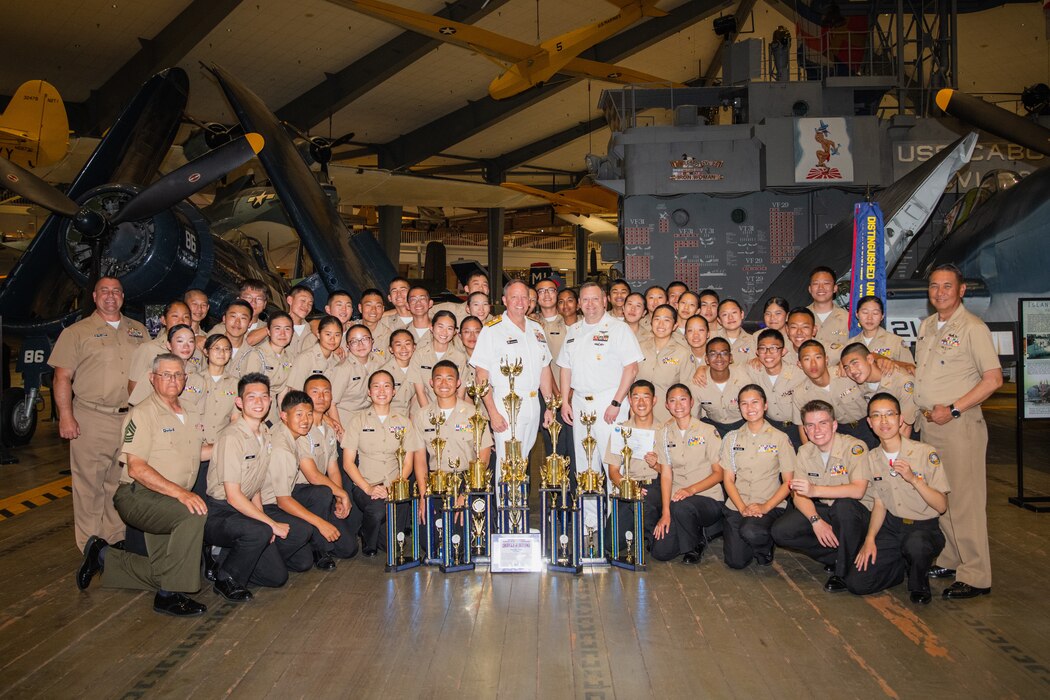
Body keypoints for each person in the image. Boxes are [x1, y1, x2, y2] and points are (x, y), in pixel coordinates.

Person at [76, 354, 211, 617]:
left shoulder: (190, 412)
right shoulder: (143, 413)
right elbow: (136, 468)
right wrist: (182, 493)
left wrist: (236, 443)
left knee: (167, 570)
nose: (173, 380)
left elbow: (198, 451)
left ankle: (102, 555)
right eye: (166, 375)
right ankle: (168, 596)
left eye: (178, 375)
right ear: (152, 379)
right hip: (138, 496)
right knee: (193, 514)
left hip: (166, 498)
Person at [914, 263, 1002, 599]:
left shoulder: (972, 328)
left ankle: (976, 574)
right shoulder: (928, 326)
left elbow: (993, 379)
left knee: (966, 501)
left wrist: (953, 409)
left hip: (958, 427)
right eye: (934, 286)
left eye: (947, 286)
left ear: (961, 290)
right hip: (930, 426)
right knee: (943, 498)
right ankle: (952, 559)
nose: (939, 293)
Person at [49, 276, 149, 550]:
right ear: (94, 297)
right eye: (103, 291)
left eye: (116, 291)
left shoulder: (138, 330)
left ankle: (114, 538)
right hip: (91, 417)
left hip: (128, 417)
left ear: (123, 297)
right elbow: (61, 378)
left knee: (118, 483)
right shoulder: (76, 333)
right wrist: (66, 416)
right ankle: (91, 544)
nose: (110, 296)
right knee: (89, 485)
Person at [204, 373, 312, 600]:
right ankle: (226, 576)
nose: (259, 402)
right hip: (221, 511)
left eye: (264, 397)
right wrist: (269, 523)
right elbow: (233, 496)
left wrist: (262, 515)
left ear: (270, 401)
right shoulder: (232, 437)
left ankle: (243, 555)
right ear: (239, 403)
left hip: (246, 508)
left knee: (287, 563)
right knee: (262, 533)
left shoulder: (264, 433)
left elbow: (256, 485)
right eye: (251, 397)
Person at [847, 393, 949, 605]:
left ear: (900, 419)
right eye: (876, 416)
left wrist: (914, 479)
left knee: (916, 545)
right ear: (870, 423)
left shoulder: (924, 453)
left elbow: (941, 506)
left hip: (923, 529)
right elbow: (879, 503)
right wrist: (870, 539)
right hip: (892, 528)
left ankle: (919, 581)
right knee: (858, 584)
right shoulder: (872, 458)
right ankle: (901, 566)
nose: (884, 422)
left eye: (889, 414)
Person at [558, 282, 644, 527]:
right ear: (579, 303)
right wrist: (564, 401)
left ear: (605, 300)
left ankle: (614, 525)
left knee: (613, 465)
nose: (590, 304)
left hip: (610, 403)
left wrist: (617, 402)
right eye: (585, 300)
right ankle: (590, 524)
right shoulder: (573, 331)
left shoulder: (619, 329)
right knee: (586, 465)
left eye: (595, 299)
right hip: (579, 403)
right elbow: (565, 368)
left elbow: (631, 368)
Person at [772, 400, 871, 593]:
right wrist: (816, 520)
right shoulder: (804, 451)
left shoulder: (855, 447)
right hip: (828, 510)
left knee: (844, 507)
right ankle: (837, 556)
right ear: (805, 430)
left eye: (823, 423)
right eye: (810, 425)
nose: (816, 430)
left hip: (858, 515)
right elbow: (798, 494)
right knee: (781, 531)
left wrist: (815, 491)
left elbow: (858, 491)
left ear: (834, 425)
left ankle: (842, 572)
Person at [471, 280, 555, 482]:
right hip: (505, 405)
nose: (520, 301)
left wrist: (550, 406)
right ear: (504, 300)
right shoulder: (492, 330)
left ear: (529, 301)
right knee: (506, 463)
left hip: (533, 403)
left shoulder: (536, 328)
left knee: (523, 461)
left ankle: (518, 512)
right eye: (514, 297)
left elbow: (544, 369)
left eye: (524, 297)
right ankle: (506, 511)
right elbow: (481, 375)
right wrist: (492, 412)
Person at [263, 391, 349, 570]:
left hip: (286, 495)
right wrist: (321, 524)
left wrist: (326, 418)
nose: (306, 420)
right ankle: (262, 551)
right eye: (299, 415)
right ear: (284, 416)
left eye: (309, 414)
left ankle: (310, 547)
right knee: (304, 531)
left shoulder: (292, 432)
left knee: (303, 563)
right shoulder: (282, 449)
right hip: (269, 505)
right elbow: (283, 501)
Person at [341, 370, 422, 555]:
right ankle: (367, 537)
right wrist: (368, 488)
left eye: (387, 386)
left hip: (395, 485)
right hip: (366, 484)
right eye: (376, 386)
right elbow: (348, 463)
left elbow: (408, 463)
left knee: (390, 547)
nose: (381, 390)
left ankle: (378, 529)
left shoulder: (404, 422)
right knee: (377, 510)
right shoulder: (357, 421)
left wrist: (395, 486)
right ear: (369, 392)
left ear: (394, 391)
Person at [720, 384, 796, 569]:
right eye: (744, 404)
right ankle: (750, 541)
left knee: (751, 531)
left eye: (755, 402)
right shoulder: (731, 438)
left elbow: (788, 482)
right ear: (739, 408)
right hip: (738, 504)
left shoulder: (780, 438)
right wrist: (742, 508)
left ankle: (764, 548)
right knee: (736, 562)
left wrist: (765, 506)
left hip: (769, 503)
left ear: (765, 405)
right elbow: (728, 480)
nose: (750, 408)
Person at [653, 384, 724, 563]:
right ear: (666, 406)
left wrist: (690, 490)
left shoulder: (708, 431)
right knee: (660, 552)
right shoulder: (662, 433)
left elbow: (719, 473)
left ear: (692, 402)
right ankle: (695, 532)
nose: (678, 405)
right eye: (672, 400)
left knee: (683, 506)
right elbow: (666, 475)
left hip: (708, 498)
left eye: (683, 399)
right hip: (677, 502)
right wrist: (665, 513)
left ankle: (696, 543)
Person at [411, 361, 493, 509]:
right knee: (430, 529)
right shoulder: (422, 415)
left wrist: (466, 493)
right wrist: (424, 497)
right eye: (438, 378)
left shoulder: (474, 413)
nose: (444, 383)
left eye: (449, 379)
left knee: (466, 529)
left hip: (470, 482)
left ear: (458, 383)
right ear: (431, 382)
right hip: (436, 484)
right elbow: (420, 459)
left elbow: (484, 457)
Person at [603, 380, 670, 558]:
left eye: (646, 397)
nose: (641, 403)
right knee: (610, 543)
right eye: (636, 397)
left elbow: (672, 474)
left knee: (660, 548)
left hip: (655, 486)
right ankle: (636, 529)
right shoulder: (621, 430)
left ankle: (648, 533)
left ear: (654, 400)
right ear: (629, 401)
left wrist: (656, 465)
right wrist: (630, 487)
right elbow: (613, 472)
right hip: (629, 486)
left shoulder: (666, 431)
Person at [299, 376, 362, 558]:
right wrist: (341, 494)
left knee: (349, 549)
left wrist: (339, 499)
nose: (321, 397)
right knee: (322, 492)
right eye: (315, 392)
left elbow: (333, 468)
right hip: (300, 493)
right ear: (305, 395)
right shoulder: (301, 426)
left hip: (322, 496)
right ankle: (320, 549)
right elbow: (313, 477)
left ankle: (318, 536)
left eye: (326, 392)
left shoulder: (329, 429)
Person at [793, 339, 869, 445]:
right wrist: (809, 452)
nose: (813, 364)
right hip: (839, 435)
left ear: (826, 360)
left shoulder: (846, 373)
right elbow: (802, 426)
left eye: (818, 357)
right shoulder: (801, 394)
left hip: (868, 426)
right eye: (807, 359)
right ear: (800, 364)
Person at [190, 334, 239, 498]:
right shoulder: (194, 380)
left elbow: (235, 420)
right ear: (205, 351)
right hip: (195, 448)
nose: (221, 353)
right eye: (216, 348)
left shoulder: (236, 383)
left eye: (226, 349)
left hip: (220, 451)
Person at [746, 329, 807, 447]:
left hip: (795, 428)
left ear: (783, 351)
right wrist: (702, 369)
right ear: (757, 352)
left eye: (774, 348)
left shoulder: (799, 374)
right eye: (763, 348)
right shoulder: (752, 370)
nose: (768, 353)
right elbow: (729, 370)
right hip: (769, 428)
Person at [840, 342, 917, 436]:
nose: (851, 371)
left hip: (904, 437)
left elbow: (905, 428)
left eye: (855, 363)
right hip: (879, 433)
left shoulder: (902, 381)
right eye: (846, 367)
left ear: (869, 359)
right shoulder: (860, 380)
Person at [127, 301, 197, 402]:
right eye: (175, 316)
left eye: (186, 317)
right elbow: (133, 387)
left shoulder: (194, 350)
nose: (181, 320)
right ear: (163, 320)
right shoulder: (148, 349)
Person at [637, 304, 691, 423]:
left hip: (668, 419)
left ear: (675, 326)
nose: (661, 325)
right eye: (657, 319)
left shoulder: (683, 353)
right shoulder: (638, 348)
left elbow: (690, 391)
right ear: (651, 322)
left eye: (666, 320)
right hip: (639, 416)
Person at [409, 311, 468, 412]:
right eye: (440, 327)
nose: (444, 332)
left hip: (451, 411)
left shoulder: (460, 357)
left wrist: (451, 415)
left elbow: (460, 393)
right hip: (424, 410)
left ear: (454, 332)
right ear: (431, 328)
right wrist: (429, 416)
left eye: (449, 328)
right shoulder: (419, 355)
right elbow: (420, 392)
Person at [692, 337, 750, 436]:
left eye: (724, 353)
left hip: (743, 424)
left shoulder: (744, 377)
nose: (719, 358)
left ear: (731, 358)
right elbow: (694, 418)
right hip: (713, 426)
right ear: (706, 359)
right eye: (713, 354)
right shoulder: (698, 383)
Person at [330, 324, 382, 429]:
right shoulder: (342, 369)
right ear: (348, 346)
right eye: (354, 341)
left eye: (365, 339)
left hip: (370, 422)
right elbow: (331, 405)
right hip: (347, 424)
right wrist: (340, 432)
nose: (360, 344)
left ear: (372, 341)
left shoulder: (379, 361)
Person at [285, 315, 344, 396]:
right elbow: (295, 393)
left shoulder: (337, 360)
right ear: (318, 335)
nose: (332, 339)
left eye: (337, 335)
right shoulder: (305, 358)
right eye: (328, 334)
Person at [848, 295, 914, 367]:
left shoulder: (896, 341)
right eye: (865, 312)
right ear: (857, 314)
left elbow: (911, 368)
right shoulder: (850, 344)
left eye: (875, 313)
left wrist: (889, 362)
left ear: (882, 316)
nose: (869, 318)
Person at [258, 311, 296, 422]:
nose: (282, 334)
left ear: (292, 333)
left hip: (274, 412)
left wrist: (284, 419)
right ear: (268, 331)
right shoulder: (257, 355)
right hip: (257, 409)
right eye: (277, 329)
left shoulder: (290, 358)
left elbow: (283, 392)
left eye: (287, 329)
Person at [807, 267, 849, 366]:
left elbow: (855, 351)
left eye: (826, 283)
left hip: (838, 377)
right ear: (810, 288)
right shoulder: (798, 318)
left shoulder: (848, 319)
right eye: (816, 284)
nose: (821, 288)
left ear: (835, 288)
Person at [213, 300, 264, 379]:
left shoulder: (254, 354)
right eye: (233, 316)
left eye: (243, 318)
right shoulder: (210, 346)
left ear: (250, 323)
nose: (237, 322)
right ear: (224, 319)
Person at [379, 328, 418, 416]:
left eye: (407, 344)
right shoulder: (384, 373)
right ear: (391, 349)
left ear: (414, 347)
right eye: (398, 345)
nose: (403, 348)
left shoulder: (417, 368)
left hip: (408, 419)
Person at [714, 299, 755, 366]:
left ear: (742, 314)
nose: (730, 317)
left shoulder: (753, 341)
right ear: (719, 320)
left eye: (734, 312)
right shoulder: (711, 339)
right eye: (725, 314)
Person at [358, 288, 391, 363]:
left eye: (378, 306)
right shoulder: (349, 330)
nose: (373, 310)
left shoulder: (388, 336)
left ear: (383, 309)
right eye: (368, 305)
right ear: (360, 308)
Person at [284, 284, 318, 356]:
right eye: (303, 300)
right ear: (290, 300)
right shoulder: (275, 328)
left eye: (310, 303)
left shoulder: (313, 331)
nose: (306, 306)